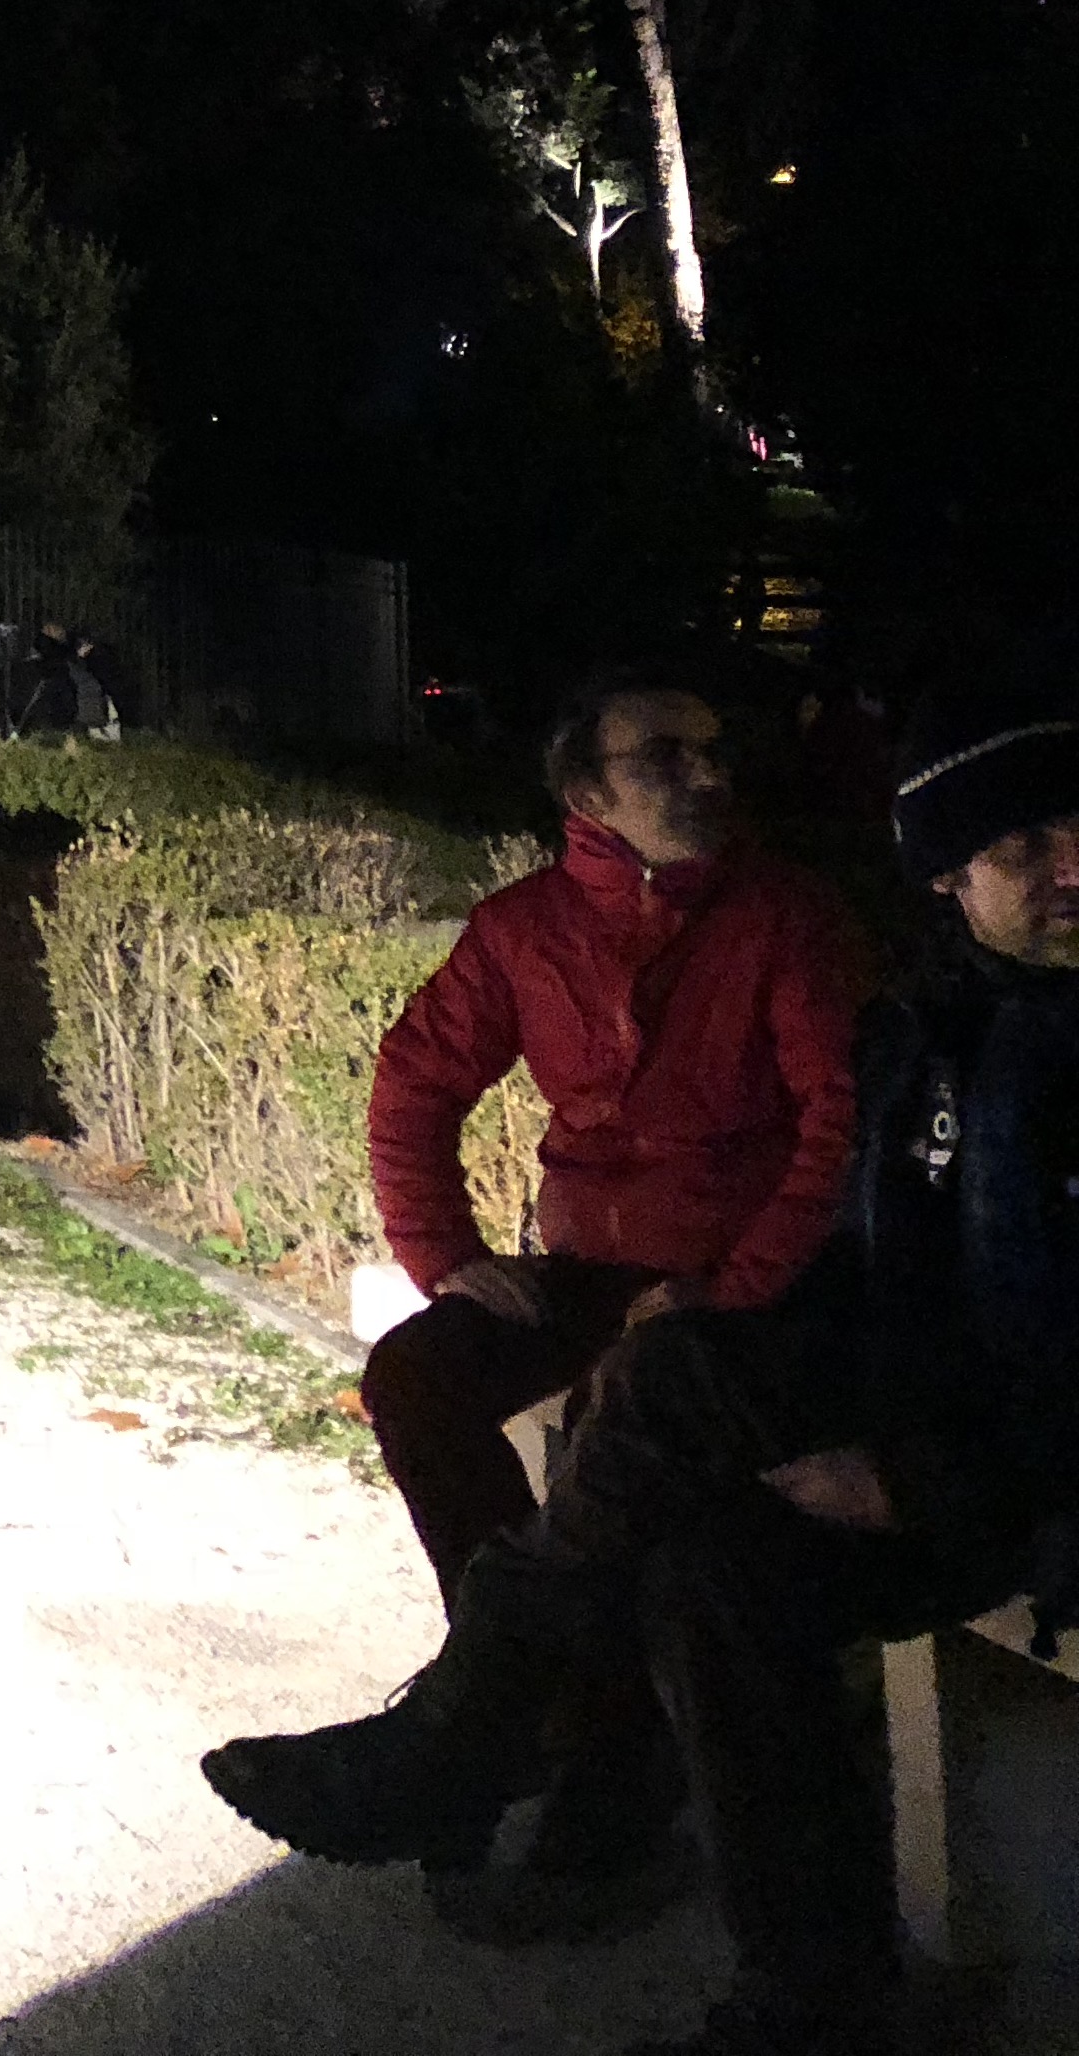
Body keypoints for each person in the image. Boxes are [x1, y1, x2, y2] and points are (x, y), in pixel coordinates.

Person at [200, 694, 1079, 2056]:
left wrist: (897, 1458)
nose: (1074, 866)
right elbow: (420, 1079)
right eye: (1025, 844)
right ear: (947, 877)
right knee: (647, 1513)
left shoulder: (803, 931)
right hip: (746, 1326)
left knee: (674, 1401)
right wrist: (446, 1255)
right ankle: (806, 1995)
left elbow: (829, 1174)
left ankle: (476, 1732)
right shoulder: (939, 1022)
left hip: (979, 1446)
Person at [362, 671, 866, 1601]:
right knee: (413, 1378)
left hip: (747, 1284)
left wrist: (733, 1289)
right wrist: (444, 1254)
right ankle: (515, 1648)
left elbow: (838, 1123)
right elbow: (415, 1084)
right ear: (587, 794)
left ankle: (550, 1660)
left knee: (632, 1414)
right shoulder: (525, 929)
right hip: (590, 1272)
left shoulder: (784, 918)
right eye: (666, 757)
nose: (708, 775)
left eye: (713, 751)